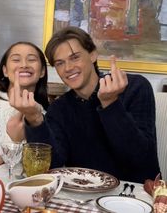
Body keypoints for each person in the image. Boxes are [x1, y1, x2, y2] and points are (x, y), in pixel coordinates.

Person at [10, 26, 160, 183]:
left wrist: (110, 104)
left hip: (135, 194)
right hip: (82, 197)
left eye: (75, 57)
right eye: (60, 63)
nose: (68, 68)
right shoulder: (60, 108)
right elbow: (51, 165)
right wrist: (34, 119)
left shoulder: (134, 87)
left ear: (93, 55)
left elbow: (140, 159)